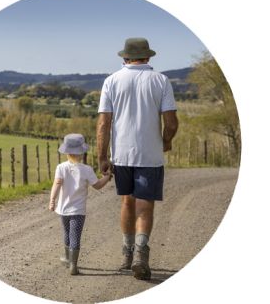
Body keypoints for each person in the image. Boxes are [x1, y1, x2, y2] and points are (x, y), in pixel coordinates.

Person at [96, 37, 178, 280]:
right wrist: (166, 141)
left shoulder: (111, 81)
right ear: (148, 57)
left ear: (125, 57)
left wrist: (102, 156)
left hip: (121, 154)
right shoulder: (161, 80)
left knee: (127, 202)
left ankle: (127, 254)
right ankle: (142, 253)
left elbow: (103, 123)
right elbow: (171, 122)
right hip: (150, 155)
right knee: (145, 205)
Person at [48, 133, 111, 275]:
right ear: (82, 152)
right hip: (78, 211)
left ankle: (67, 258)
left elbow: (56, 184)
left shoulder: (61, 167)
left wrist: (52, 200)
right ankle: (73, 266)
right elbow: (97, 185)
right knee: (75, 236)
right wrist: (106, 177)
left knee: (66, 234)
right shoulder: (87, 170)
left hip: (63, 210)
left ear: (67, 152)